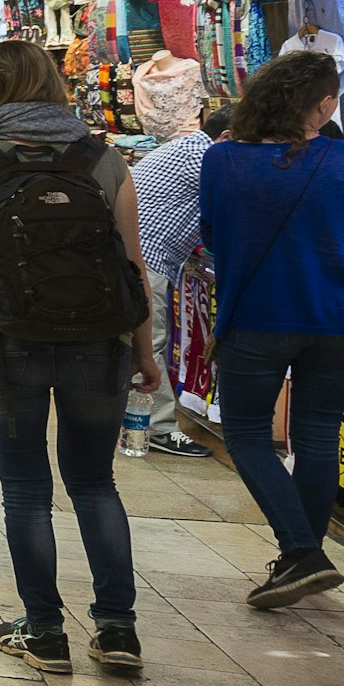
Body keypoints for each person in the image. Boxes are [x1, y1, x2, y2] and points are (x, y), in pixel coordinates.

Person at [0, 39, 159, 675]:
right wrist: (144, 350)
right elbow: (132, 266)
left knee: (26, 490)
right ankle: (117, 629)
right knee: (95, 482)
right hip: (99, 343)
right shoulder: (102, 159)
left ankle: (45, 631)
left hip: (4, 344)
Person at [198, 50, 344, 608]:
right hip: (339, 320)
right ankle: (301, 557)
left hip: (257, 317)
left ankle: (302, 553)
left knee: (249, 434)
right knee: (315, 435)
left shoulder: (223, 160)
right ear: (325, 103)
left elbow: (212, 237)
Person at [127, 97, 235, 460]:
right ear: (227, 136)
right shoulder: (205, 158)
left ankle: (135, 421)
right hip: (147, 258)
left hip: (139, 254)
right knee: (149, 342)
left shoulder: (188, 147)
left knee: (142, 341)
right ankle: (155, 427)